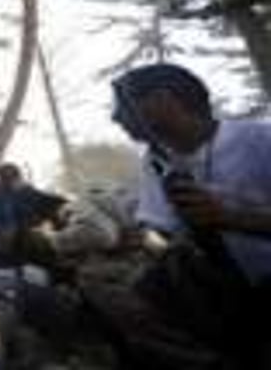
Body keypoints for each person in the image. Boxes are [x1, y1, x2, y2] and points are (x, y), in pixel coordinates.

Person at [105, 63, 271, 367]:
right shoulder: (156, 163)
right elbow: (159, 230)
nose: (116, 119)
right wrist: (149, 240)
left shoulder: (259, 141)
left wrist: (233, 219)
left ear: (163, 99)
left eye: (125, 106)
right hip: (227, 295)